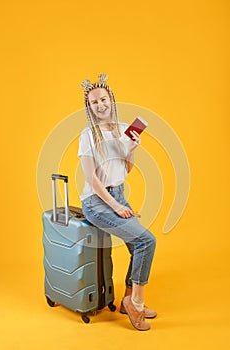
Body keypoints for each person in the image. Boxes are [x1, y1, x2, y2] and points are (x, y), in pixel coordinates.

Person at [78, 74, 157, 331]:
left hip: (118, 193)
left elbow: (125, 170)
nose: (100, 105)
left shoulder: (124, 128)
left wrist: (132, 149)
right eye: (94, 102)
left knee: (139, 246)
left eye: (103, 99)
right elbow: (92, 179)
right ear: (88, 107)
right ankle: (136, 302)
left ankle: (127, 301)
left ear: (111, 99)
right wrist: (116, 206)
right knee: (147, 240)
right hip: (97, 201)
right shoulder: (88, 135)